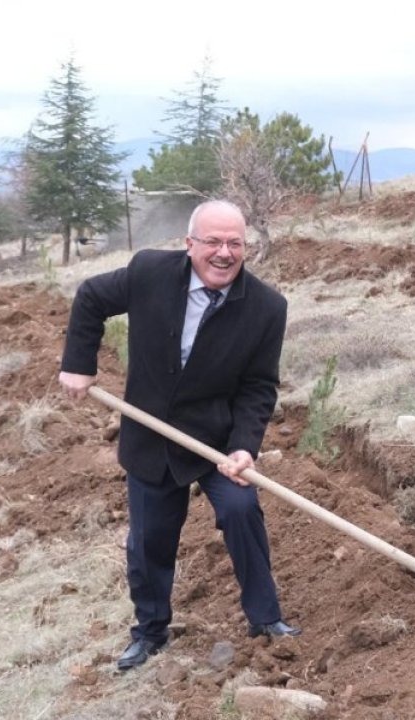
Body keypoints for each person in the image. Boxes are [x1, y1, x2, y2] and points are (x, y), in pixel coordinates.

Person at [58, 200, 297, 671]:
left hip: (217, 441)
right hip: (150, 433)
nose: (224, 253)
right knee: (150, 541)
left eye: (235, 243)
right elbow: (90, 297)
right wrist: (78, 364)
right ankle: (150, 632)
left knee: (241, 509)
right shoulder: (150, 272)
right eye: (213, 242)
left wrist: (244, 448)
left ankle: (266, 619)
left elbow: (258, 386)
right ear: (190, 245)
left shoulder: (267, 308)